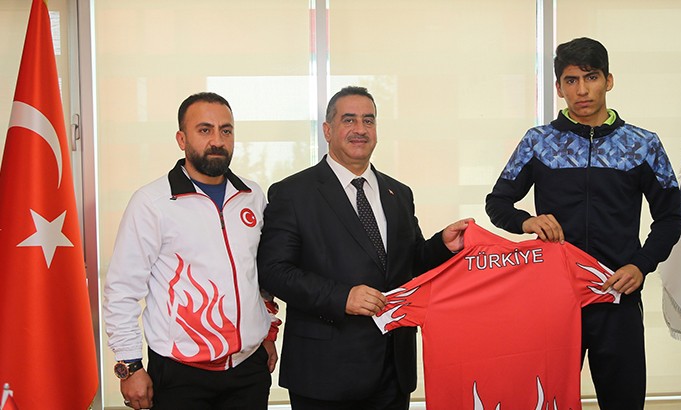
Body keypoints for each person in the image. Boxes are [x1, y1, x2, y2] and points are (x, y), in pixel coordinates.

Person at [485, 37, 681, 409]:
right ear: (559, 88)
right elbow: (497, 203)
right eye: (571, 80)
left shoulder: (643, 144)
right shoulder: (538, 142)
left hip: (617, 298)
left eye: (591, 77)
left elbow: (672, 216)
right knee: (545, 401)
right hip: (553, 301)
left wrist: (641, 265)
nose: (582, 90)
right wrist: (527, 221)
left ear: (609, 80)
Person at [257, 85, 471, 410]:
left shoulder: (399, 194)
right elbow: (274, 271)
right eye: (349, 120)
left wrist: (442, 245)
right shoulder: (293, 193)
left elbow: (410, 264)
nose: (360, 129)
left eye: (368, 120)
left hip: (393, 370)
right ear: (327, 130)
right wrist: (341, 297)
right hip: (324, 373)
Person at [103, 92, 281, 410]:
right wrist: (130, 365)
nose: (217, 141)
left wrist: (266, 334)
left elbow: (260, 276)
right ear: (181, 139)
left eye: (226, 130)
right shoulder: (152, 202)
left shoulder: (252, 195)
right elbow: (122, 290)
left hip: (248, 369)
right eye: (204, 130)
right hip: (180, 373)